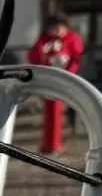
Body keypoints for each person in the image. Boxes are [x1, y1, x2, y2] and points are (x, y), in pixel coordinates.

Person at [27, 16, 84, 154]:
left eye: (59, 28)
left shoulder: (71, 38)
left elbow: (76, 56)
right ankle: (49, 143)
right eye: (53, 28)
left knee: (58, 111)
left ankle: (54, 143)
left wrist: (68, 73)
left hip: (65, 78)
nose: (56, 31)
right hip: (48, 78)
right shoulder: (45, 40)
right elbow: (33, 55)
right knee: (49, 111)